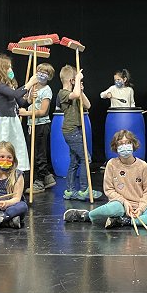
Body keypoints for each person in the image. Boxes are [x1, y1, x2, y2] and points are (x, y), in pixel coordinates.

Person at [63, 130, 147, 229]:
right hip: (119, 205)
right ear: (116, 147)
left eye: (128, 143)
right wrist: (124, 202)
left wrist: (141, 208)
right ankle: (86, 215)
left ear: (133, 144)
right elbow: (109, 189)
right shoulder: (111, 164)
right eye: (120, 144)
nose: (124, 146)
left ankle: (125, 221)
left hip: (139, 207)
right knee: (112, 209)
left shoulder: (143, 166)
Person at [0, 54, 38, 170]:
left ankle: (15, 169)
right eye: (8, 67)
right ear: (1, 70)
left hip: (12, 120)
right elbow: (16, 94)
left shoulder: (9, 86)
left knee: (15, 145)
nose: (11, 70)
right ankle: (0, 170)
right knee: (2, 145)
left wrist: (29, 100)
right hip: (2, 121)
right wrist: (30, 83)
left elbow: (21, 103)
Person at [58, 65, 101, 201]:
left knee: (75, 161)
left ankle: (70, 190)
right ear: (71, 80)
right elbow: (74, 95)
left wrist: (81, 91)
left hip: (76, 130)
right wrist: (77, 81)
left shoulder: (76, 94)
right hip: (71, 131)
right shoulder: (63, 93)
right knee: (86, 158)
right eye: (75, 79)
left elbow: (88, 105)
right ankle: (84, 190)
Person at [19, 63, 56, 193]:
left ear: (49, 76)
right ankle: (47, 177)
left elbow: (43, 111)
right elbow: (27, 101)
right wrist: (30, 97)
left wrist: (26, 113)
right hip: (32, 124)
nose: (41, 74)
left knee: (40, 154)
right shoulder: (33, 87)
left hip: (41, 125)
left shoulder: (47, 90)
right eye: (39, 71)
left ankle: (40, 182)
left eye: (45, 73)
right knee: (33, 153)